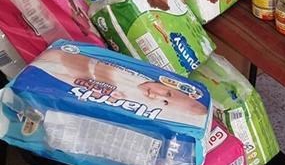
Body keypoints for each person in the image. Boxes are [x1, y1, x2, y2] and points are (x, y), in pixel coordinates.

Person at [35, 47, 207, 124]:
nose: (156, 95)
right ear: (170, 85)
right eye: (167, 94)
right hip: (64, 60)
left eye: (164, 103)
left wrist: (105, 95)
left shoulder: (135, 101)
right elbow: (103, 67)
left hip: (64, 81)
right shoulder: (137, 76)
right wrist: (104, 82)